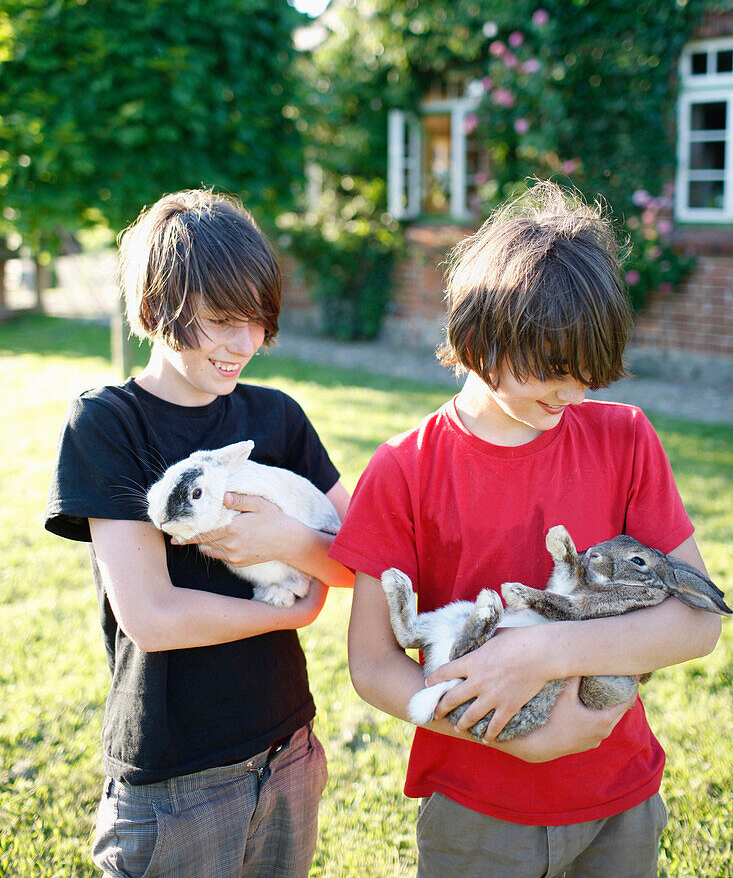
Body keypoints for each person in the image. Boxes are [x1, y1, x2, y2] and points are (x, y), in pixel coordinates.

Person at [329, 181, 722, 878]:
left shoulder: (624, 438)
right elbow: (372, 665)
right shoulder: (403, 469)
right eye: (553, 370)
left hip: (618, 798)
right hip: (475, 812)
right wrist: (507, 737)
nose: (573, 394)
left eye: (588, 375)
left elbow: (695, 623)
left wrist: (542, 654)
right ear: (480, 335)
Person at [45, 189, 352, 878]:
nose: (245, 345)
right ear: (156, 313)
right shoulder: (108, 423)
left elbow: (362, 560)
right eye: (220, 321)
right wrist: (296, 607)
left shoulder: (278, 416)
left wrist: (288, 544)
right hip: (172, 775)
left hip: (286, 750)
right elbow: (151, 617)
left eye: (258, 321)